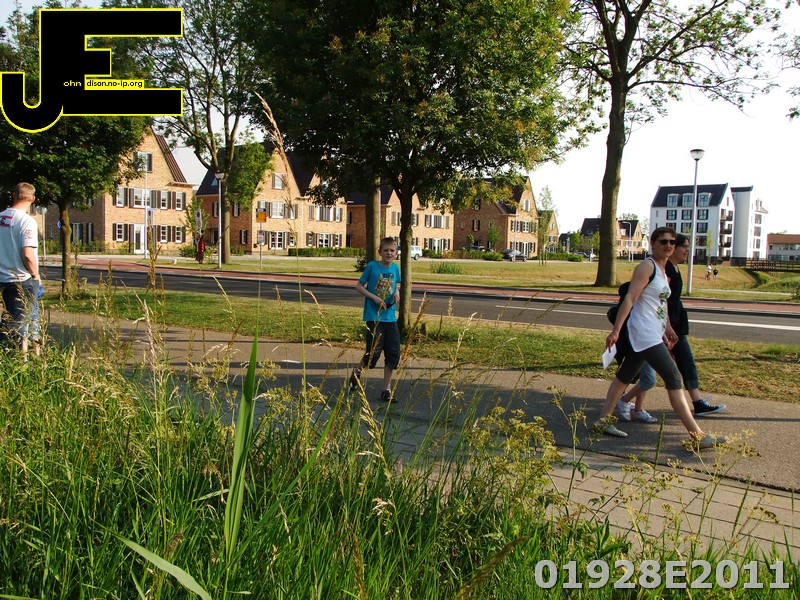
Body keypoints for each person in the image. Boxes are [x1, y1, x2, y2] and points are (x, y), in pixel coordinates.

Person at [596, 227, 725, 450]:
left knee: (624, 376)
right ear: (653, 243)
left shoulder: (663, 270)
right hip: (643, 333)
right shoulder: (646, 267)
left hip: (653, 332)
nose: (669, 246)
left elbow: (660, 303)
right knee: (674, 378)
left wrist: (667, 328)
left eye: (672, 242)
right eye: (663, 241)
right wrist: (616, 330)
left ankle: (602, 421)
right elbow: (630, 299)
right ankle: (697, 436)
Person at [348, 237, 402, 403]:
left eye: (392, 250)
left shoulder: (395, 268)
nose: (389, 253)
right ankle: (356, 373)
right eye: (386, 250)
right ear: (380, 252)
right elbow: (358, 286)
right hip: (374, 316)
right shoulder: (372, 266)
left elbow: (397, 284)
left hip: (390, 317)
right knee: (373, 354)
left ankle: (386, 389)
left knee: (393, 353)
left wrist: (397, 292)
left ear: (396, 253)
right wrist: (374, 298)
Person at [0, 182, 43, 355]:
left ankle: (24, 355)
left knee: (11, 319)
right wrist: (35, 275)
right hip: (20, 279)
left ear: (14, 195)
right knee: (22, 323)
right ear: (32, 199)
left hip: (2, 277)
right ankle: (21, 358)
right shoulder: (26, 221)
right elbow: (28, 254)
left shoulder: (1, 217)